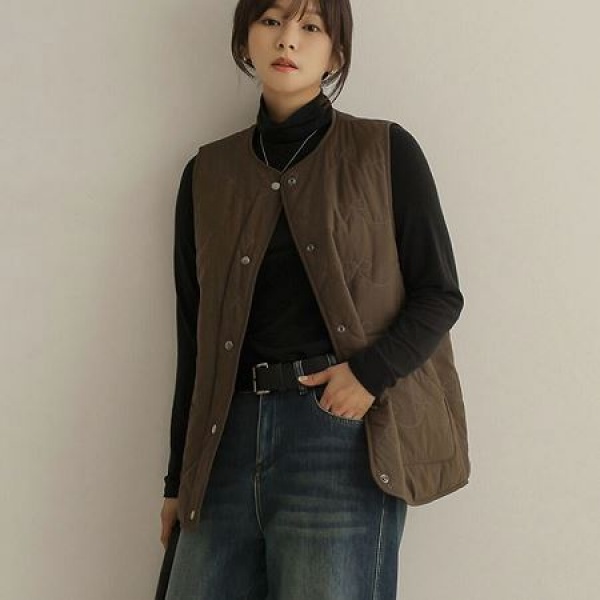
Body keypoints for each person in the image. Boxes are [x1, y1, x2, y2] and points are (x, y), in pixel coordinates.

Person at [158, 1, 470, 599]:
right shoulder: (206, 174)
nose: (288, 40)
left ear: (336, 54)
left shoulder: (384, 150)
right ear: (245, 39)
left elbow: (439, 293)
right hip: (224, 442)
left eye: (310, 27)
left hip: (337, 441)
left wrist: (368, 375)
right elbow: (194, 341)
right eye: (271, 21)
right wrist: (178, 480)